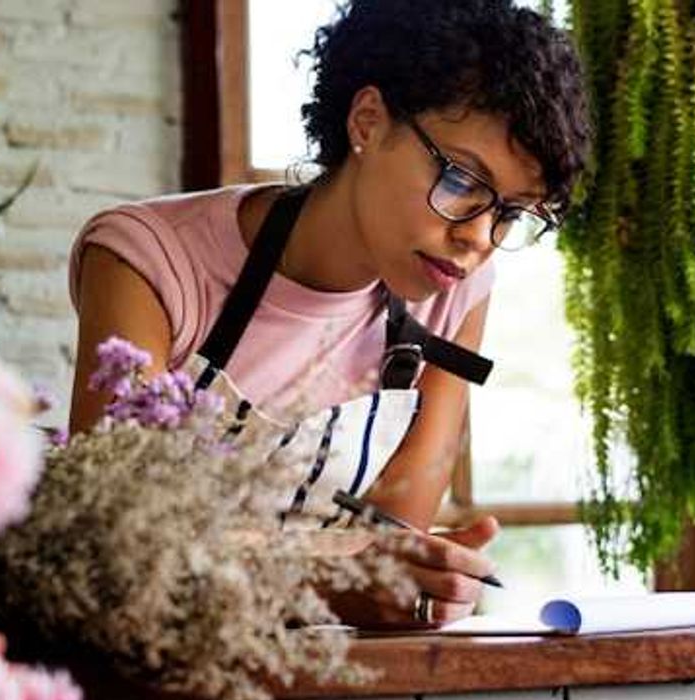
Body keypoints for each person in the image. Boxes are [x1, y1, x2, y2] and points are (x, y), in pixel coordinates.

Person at [66, 0, 591, 629]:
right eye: (459, 182)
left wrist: (408, 575)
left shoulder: (456, 290)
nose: (479, 237)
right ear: (367, 122)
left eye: (510, 213)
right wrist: (326, 577)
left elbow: (395, 532)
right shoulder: (150, 260)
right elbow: (115, 547)